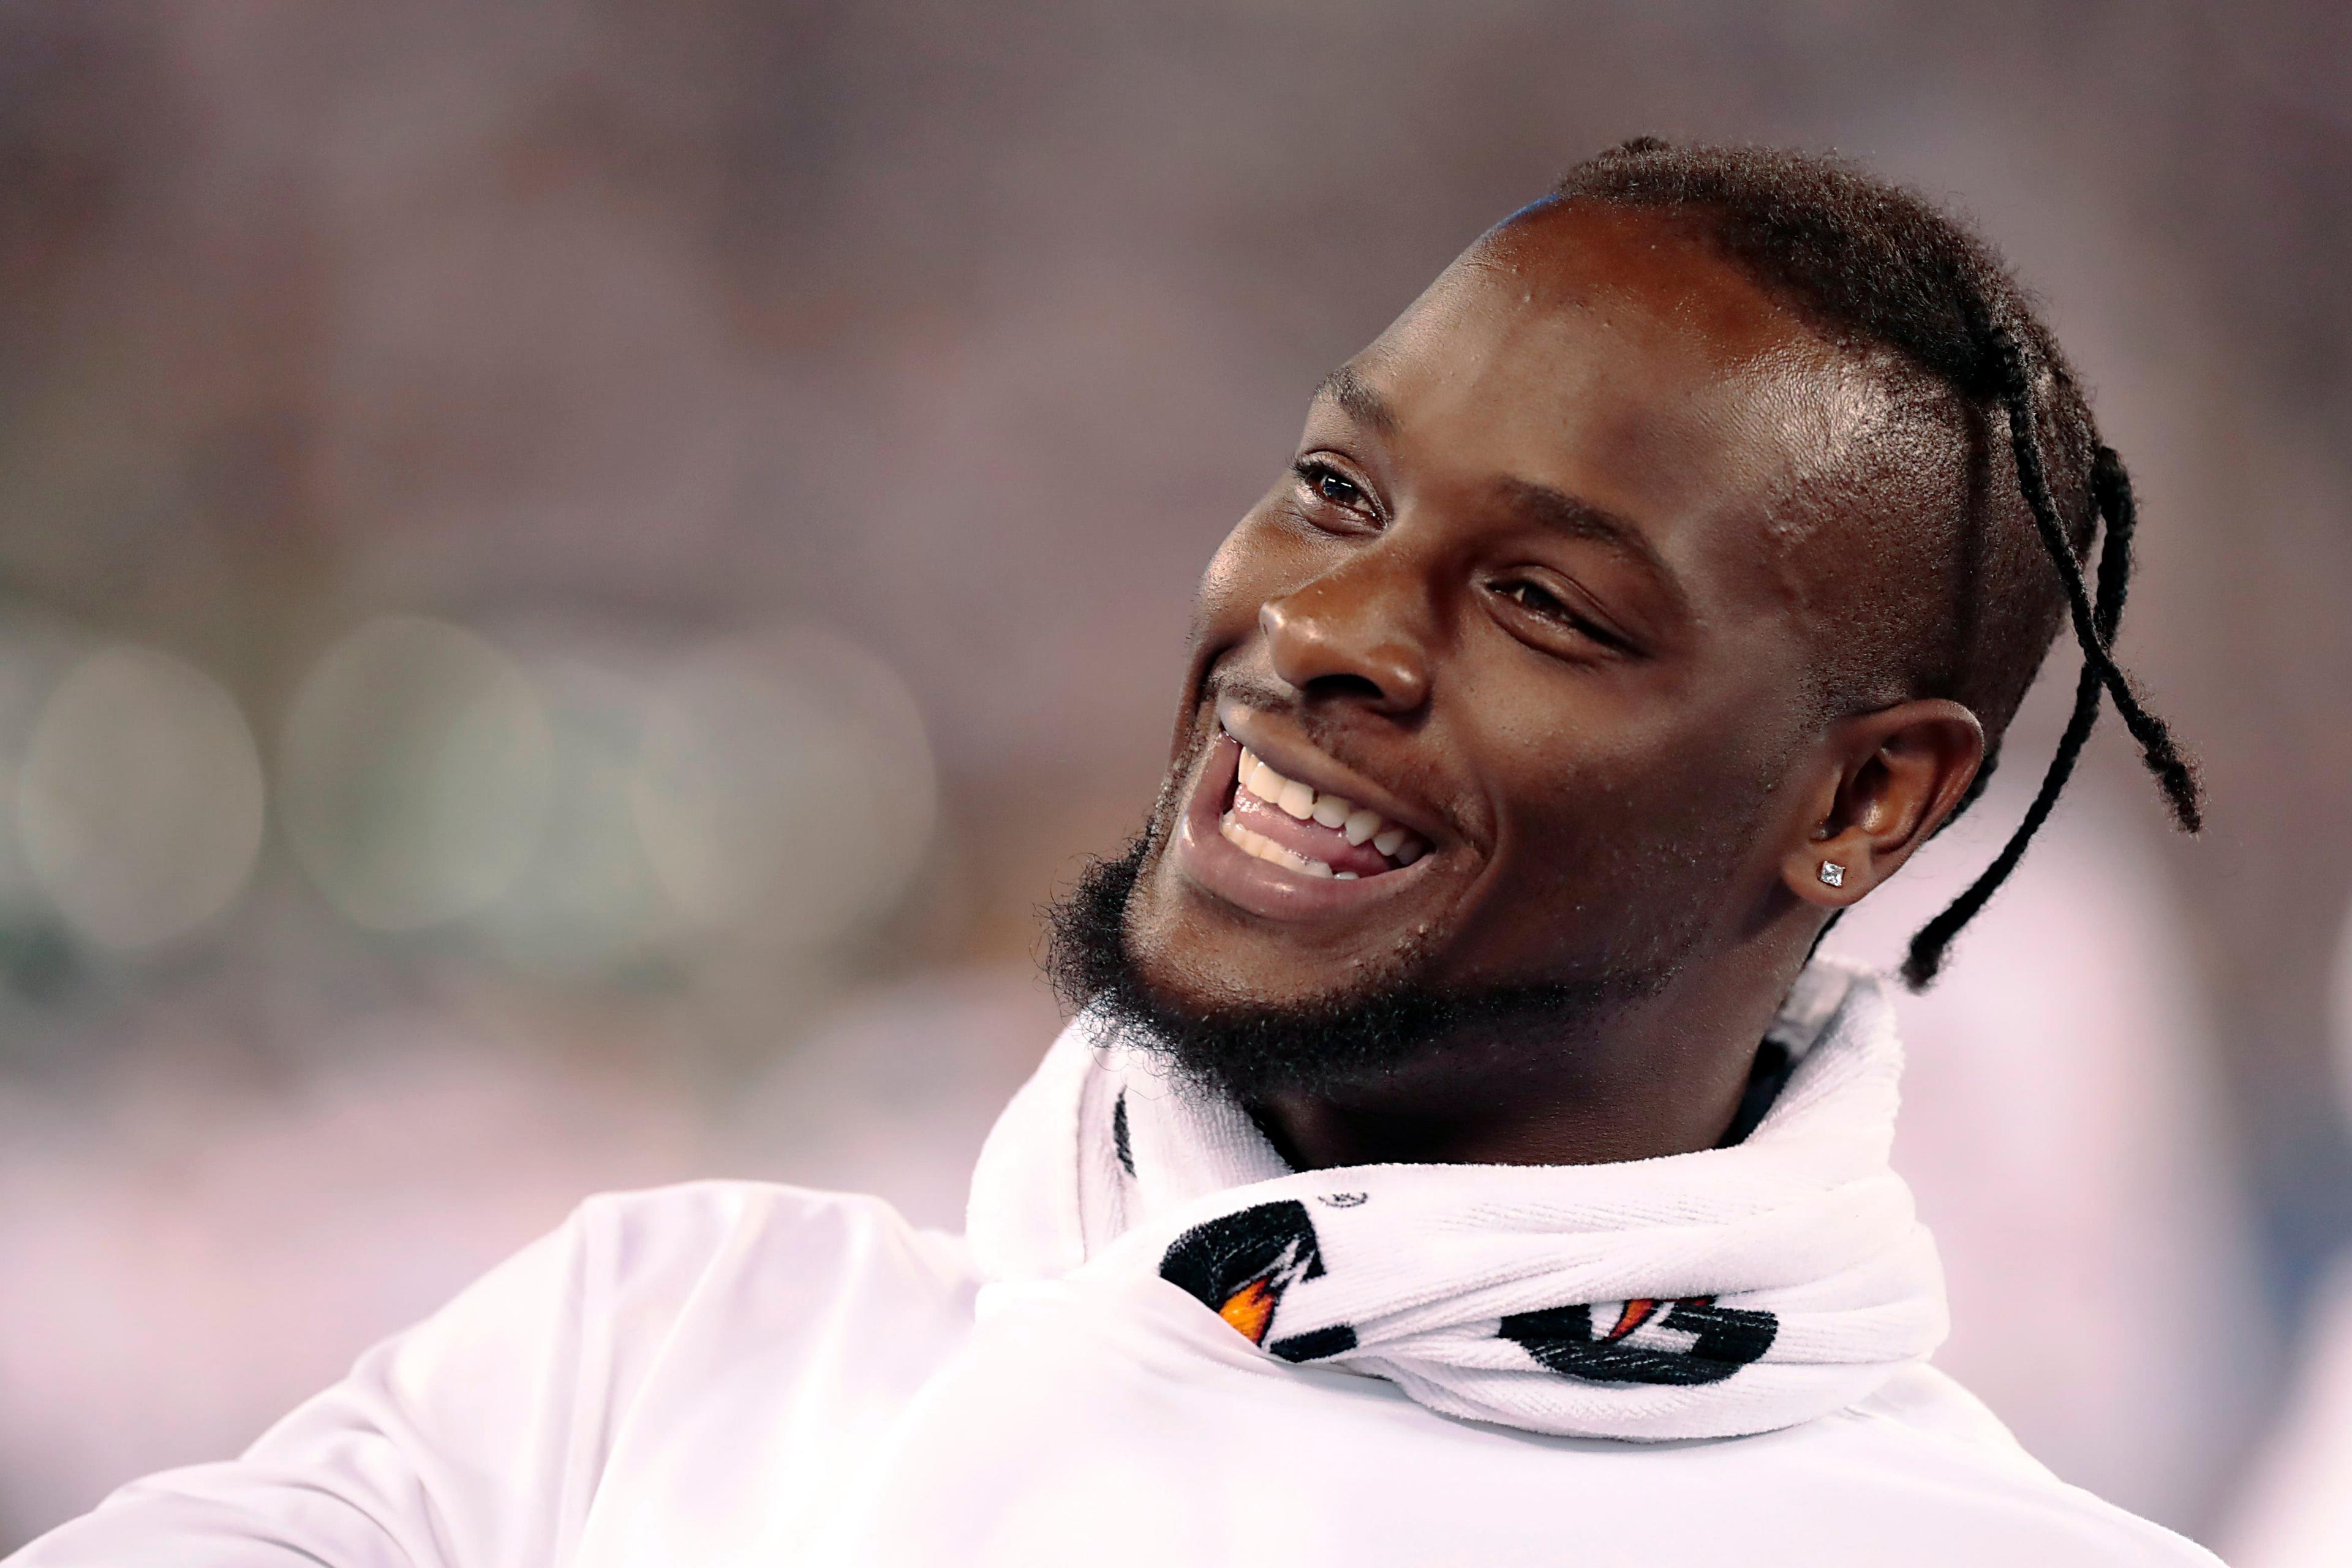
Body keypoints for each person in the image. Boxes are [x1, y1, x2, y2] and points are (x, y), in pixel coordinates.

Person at [9, 139, 2220, 1566]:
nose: (1324, 632)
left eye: (1547, 603)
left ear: (1864, 804)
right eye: (1340, 495)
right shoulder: (658, 1350)